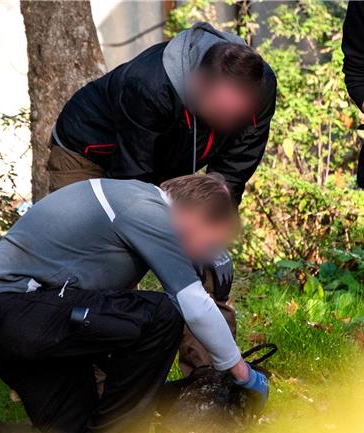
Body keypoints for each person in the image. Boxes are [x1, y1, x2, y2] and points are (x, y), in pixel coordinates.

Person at [0, 173, 269, 433]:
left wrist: (164, 395)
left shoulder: (131, 216)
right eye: (210, 242)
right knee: (164, 313)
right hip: (16, 310)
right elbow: (193, 303)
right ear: (194, 215)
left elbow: (110, 331)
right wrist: (241, 373)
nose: (207, 255)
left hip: (16, 324)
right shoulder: (145, 206)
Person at [45, 22, 277, 376]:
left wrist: (206, 231)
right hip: (90, 153)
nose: (230, 123)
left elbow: (230, 173)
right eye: (222, 113)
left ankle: (209, 384)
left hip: (165, 160)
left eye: (237, 116)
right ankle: (91, 393)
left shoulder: (260, 91)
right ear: (198, 89)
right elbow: (130, 191)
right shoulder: (149, 84)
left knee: (208, 261)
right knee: (101, 269)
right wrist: (169, 243)